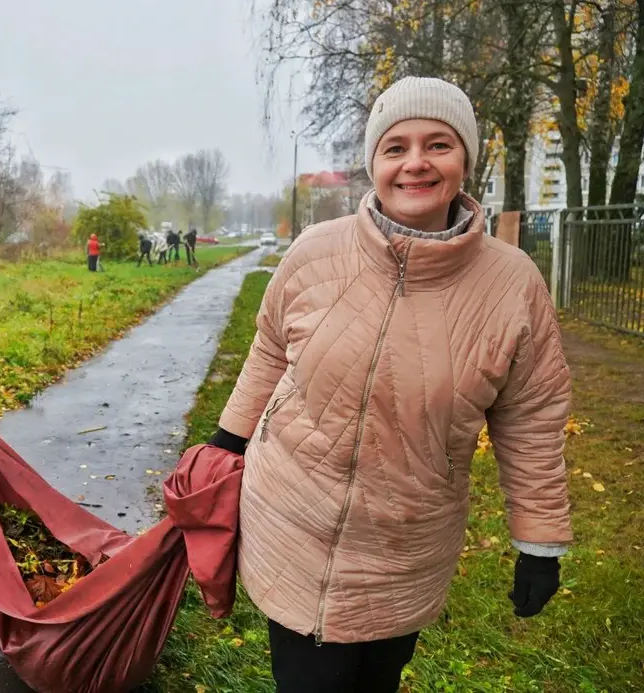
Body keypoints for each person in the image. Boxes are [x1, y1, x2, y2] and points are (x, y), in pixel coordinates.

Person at [207, 77, 572, 692]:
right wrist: (227, 441)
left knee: (377, 680)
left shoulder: (513, 285)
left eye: (438, 145)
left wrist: (539, 540)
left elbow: (532, 416)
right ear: (374, 163)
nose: (416, 164)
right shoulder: (316, 252)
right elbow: (270, 346)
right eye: (395, 147)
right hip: (291, 518)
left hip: (406, 542)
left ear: (465, 161)